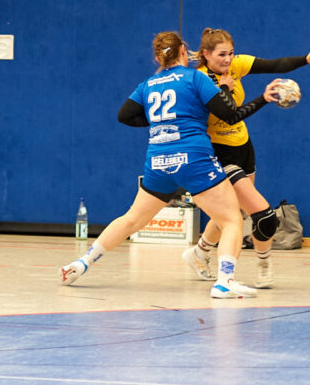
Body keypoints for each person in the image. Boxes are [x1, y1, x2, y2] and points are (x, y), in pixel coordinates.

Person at [59, 31, 284, 299]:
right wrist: (263, 98)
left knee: (131, 219)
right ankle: (225, 281)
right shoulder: (195, 77)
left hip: (158, 160)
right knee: (232, 218)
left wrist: (159, 122)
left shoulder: (148, 84)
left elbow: (125, 115)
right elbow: (231, 115)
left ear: (158, 57)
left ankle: (81, 263)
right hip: (193, 159)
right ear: (182, 52)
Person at [181, 27, 310, 289]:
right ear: (205, 54)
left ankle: (199, 252)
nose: (228, 60)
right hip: (218, 152)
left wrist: (306, 59)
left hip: (243, 145)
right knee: (262, 216)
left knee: (231, 211)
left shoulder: (236, 66)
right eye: (222, 55)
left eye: (231, 53)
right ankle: (263, 263)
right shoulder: (200, 80)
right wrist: (255, 96)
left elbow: (274, 65)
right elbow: (230, 115)